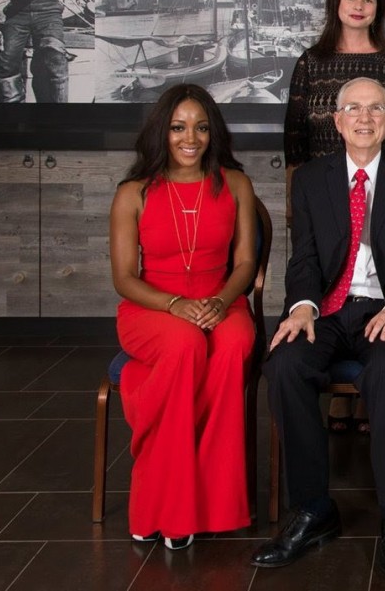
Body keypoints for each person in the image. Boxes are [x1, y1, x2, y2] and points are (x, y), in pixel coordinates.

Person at [253, 78, 385, 579]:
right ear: (336, 121)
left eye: (376, 108)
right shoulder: (311, 179)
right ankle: (312, 509)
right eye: (353, 108)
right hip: (328, 310)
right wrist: (303, 306)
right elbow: (304, 258)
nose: (364, 117)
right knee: (286, 365)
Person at [109, 84, 258, 550]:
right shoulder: (133, 193)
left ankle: (212, 505)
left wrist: (219, 301)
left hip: (221, 299)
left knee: (233, 345)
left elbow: (246, 263)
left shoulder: (235, 184)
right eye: (178, 127)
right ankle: (163, 504)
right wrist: (175, 306)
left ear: (213, 133)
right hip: (152, 306)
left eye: (200, 127)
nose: (189, 137)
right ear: (162, 132)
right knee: (185, 345)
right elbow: (123, 278)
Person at [284, 0, 385, 432]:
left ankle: (368, 400)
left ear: (378, 8)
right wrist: (295, 199)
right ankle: (340, 402)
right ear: (336, 5)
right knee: (327, 283)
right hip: (323, 194)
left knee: (377, 290)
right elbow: (296, 136)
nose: (359, 6)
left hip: (380, 190)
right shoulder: (311, 61)